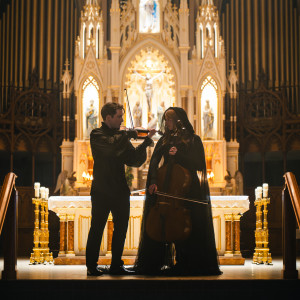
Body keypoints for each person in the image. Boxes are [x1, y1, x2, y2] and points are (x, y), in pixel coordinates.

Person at [134, 107, 222, 276]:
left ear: (179, 120)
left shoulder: (193, 140)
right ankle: (159, 261)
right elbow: (154, 162)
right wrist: (153, 181)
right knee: (165, 223)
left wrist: (179, 155)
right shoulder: (165, 140)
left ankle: (187, 262)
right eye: (166, 120)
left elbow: (198, 164)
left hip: (187, 189)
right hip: (166, 188)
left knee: (190, 228)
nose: (167, 123)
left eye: (169, 120)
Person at [86, 102, 156, 276]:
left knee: (121, 228)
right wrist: (127, 134)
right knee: (97, 228)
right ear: (108, 117)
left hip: (119, 190)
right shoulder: (97, 134)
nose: (122, 119)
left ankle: (116, 264)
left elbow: (133, 160)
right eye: (119, 116)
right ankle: (91, 266)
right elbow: (110, 150)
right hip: (102, 190)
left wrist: (146, 142)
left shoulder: (121, 138)